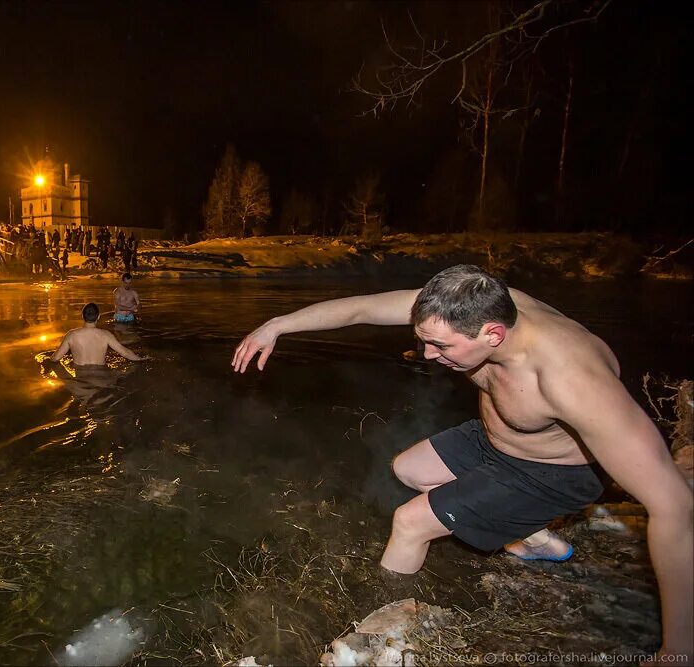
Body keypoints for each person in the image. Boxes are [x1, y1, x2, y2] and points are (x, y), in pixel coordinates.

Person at [231, 265, 692, 658]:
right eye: (424, 340)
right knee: (407, 470)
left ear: (493, 334)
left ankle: (387, 628)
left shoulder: (572, 380)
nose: (429, 355)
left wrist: (679, 650)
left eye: (442, 347)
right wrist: (278, 324)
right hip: (495, 439)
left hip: (553, 473)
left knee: (410, 523)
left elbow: (675, 508)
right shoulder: (469, 303)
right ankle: (530, 537)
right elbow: (362, 308)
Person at [51, 302, 146, 366]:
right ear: (99, 317)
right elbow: (125, 353)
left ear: (82, 316)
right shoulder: (106, 335)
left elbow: (56, 358)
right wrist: (142, 360)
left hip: (80, 379)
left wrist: (50, 357)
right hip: (101, 378)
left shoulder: (71, 335)